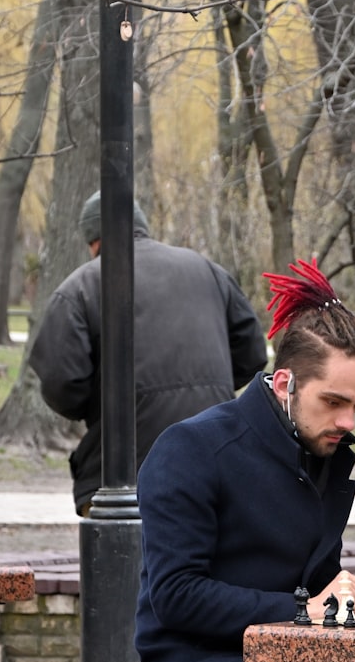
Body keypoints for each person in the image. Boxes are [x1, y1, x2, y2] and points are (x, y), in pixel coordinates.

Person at [80, 258, 355, 662]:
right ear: (284, 384)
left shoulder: (321, 457)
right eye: (333, 402)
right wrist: (304, 612)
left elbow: (314, 586)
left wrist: (339, 609)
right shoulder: (193, 448)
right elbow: (174, 597)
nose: (348, 422)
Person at [29, 191, 268, 516]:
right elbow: (252, 354)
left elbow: (61, 384)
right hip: (219, 459)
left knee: (125, 564)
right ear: (141, 225)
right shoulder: (209, 271)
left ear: (93, 241)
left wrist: (104, 406)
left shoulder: (80, 287)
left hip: (127, 472)